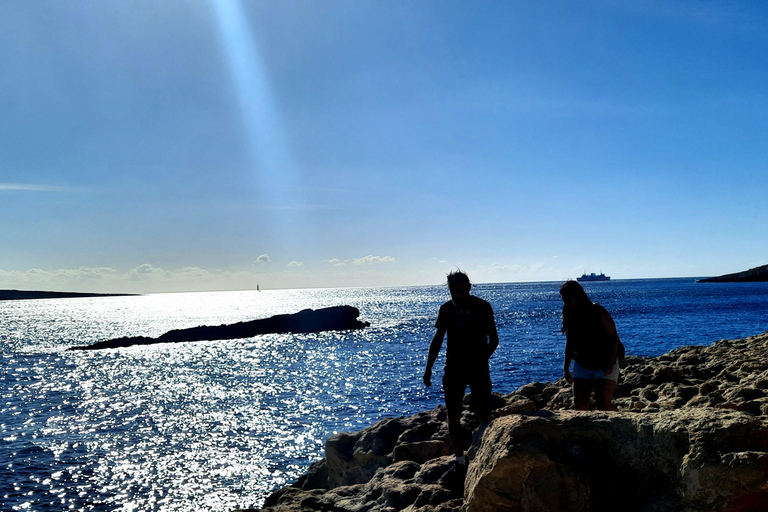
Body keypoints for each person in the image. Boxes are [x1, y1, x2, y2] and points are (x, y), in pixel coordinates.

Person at [423, 270, 499, 478]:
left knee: (482, 411)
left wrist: (482, 360)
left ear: (468, 287)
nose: (456, 294)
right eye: (452, 291)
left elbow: (493, 339)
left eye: (459, 290)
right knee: (453, 415)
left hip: (478, 369)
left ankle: (493, 448)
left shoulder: (482, 307)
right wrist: (428, 367)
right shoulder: (446, 309)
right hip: (453, 368)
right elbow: (438, 339)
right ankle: (459, 460)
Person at [559, 280, 620, 411]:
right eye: (564, 300)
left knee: (603, 404)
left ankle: (620, 422)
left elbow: (614, 338)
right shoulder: (569, 314)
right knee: (579, 404)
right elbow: (569, 343)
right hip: (582, 363)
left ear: (578, 297)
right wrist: (566, 368)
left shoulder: (598, 311)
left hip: (604, 363)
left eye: (569, 299)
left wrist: (610, 362)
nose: (566, 303)